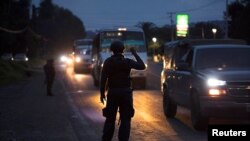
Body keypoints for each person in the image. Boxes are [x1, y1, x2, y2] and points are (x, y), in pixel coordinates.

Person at [100, 40, 146, 141]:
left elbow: (103, 79)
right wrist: (134, 53)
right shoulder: (127, 61)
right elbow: (142, 66)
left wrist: (102, 93)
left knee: (110, 119)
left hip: (112, 93)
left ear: (112, 50)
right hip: (126, 93)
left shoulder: (108, 62)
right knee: (126, 120)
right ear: (123, 50)